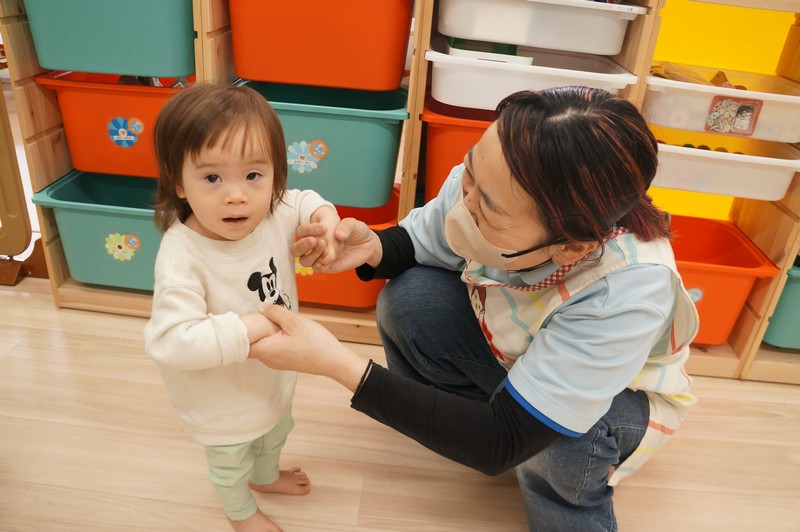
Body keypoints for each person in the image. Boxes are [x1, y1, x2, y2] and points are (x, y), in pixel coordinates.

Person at [249, 86, 700, 531]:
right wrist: (373, 247)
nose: (465, 204)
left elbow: (503, 442)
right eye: (470, 173)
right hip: (513, 352)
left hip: (621, 404)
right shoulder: (494, 177)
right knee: (410, 299)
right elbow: (424, 240)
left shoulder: (625, 291)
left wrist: (336, 363)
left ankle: (570, 511)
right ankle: (476, 423)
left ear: (569, 247)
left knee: (564, 441)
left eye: (489, 209)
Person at [143, 82, 340, 532]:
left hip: (272, 375)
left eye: (254, 175)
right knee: (230, 460)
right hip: (221, 397)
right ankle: (241, 513)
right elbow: (172, 341)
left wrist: (325, 219)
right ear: (178, 181)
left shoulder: (271, 212)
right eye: (212, 178)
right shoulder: (182, 258)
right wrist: (255, 326)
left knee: (277, 428)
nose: (237, 195)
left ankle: (265, 476)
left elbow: (303, 201)